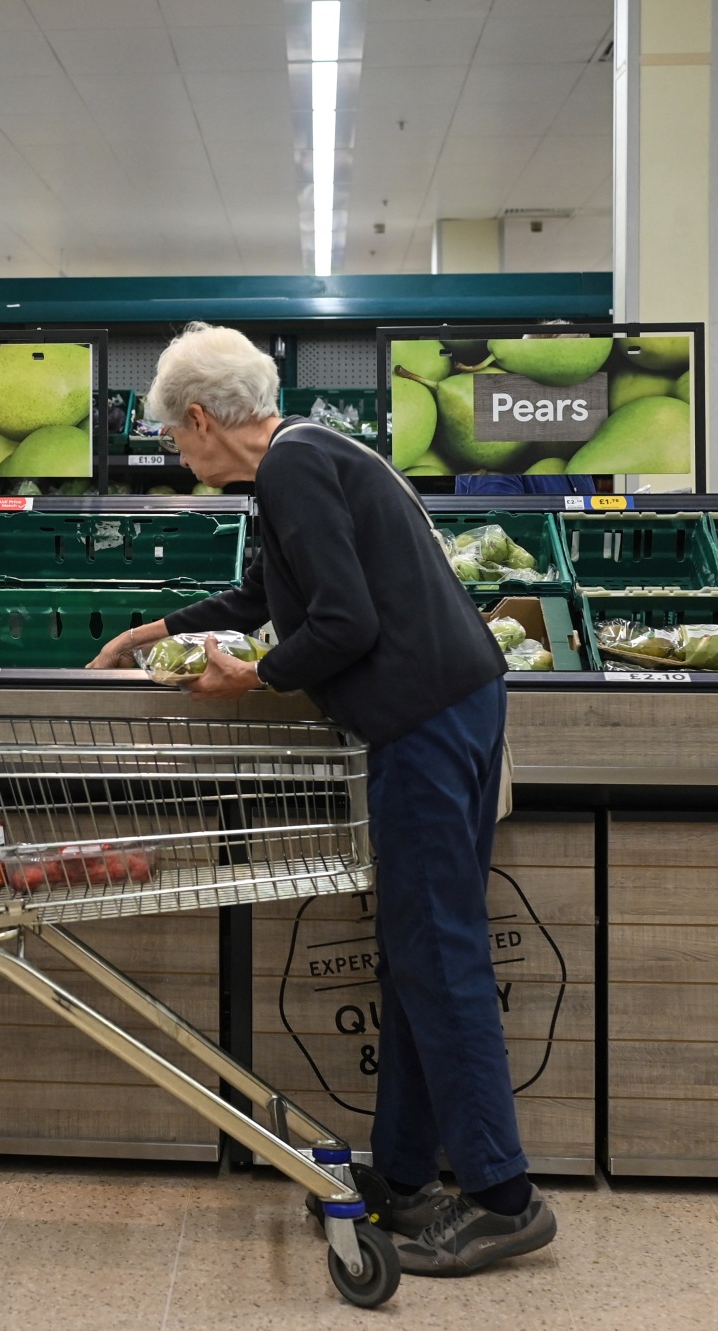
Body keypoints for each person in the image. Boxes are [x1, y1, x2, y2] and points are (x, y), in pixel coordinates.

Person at [89, 323, 557, 1278]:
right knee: (417, 952)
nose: (181, 458)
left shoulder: (294, 469)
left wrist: (252, 675)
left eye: (176, 439)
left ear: (203, 419)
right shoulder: (310, 452)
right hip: (450, 707)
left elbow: (343, 622)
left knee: (439, 951)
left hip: (425, 720)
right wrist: (163, 627)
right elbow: (279, 586)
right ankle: (404, 1173)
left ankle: (505, 1198)